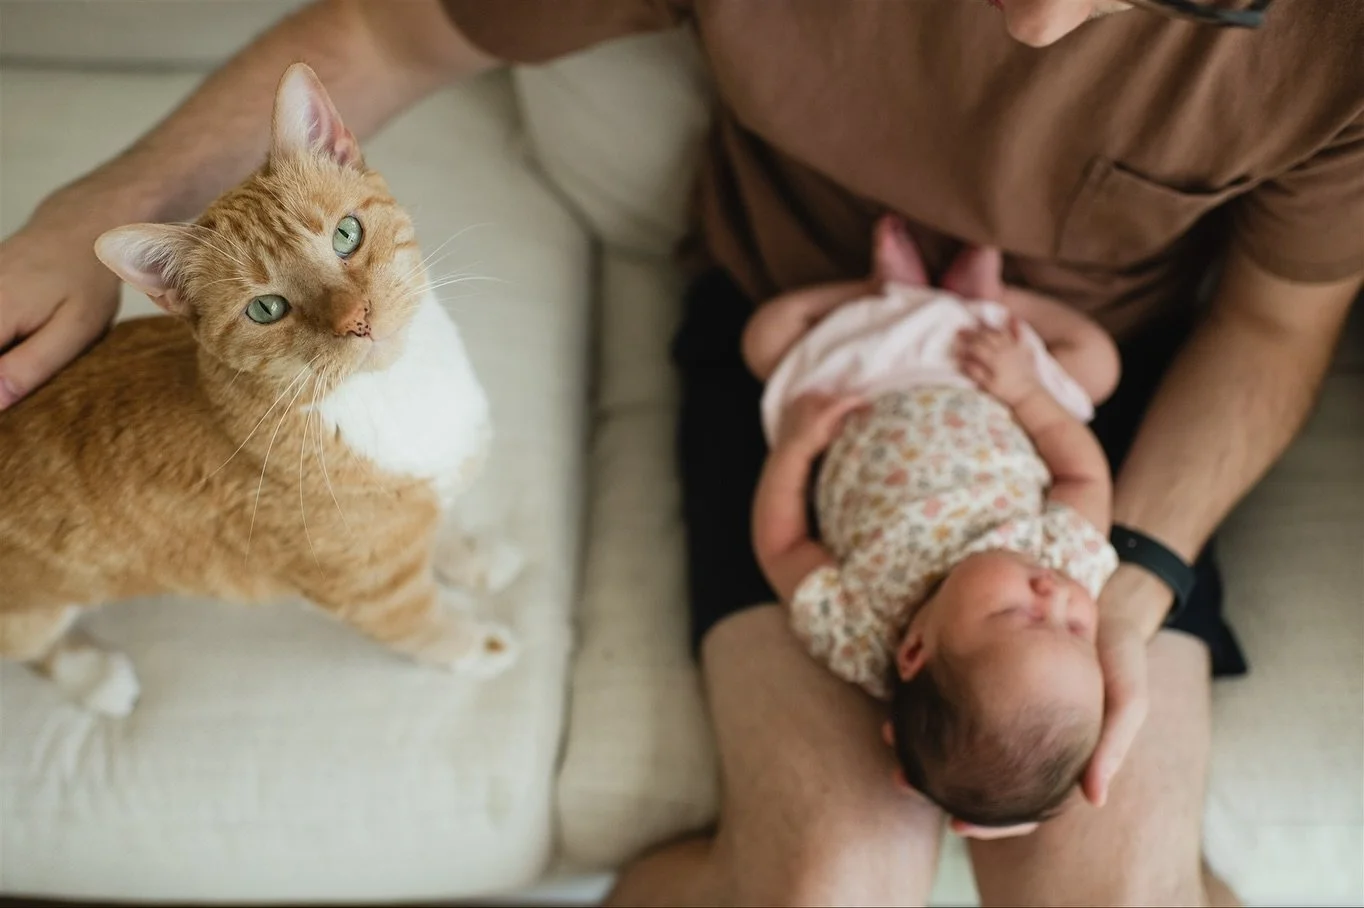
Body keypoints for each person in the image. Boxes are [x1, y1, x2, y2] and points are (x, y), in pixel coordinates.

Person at [1, 0, 1360, 904]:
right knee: (821, 884)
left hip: (1075, 374)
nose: (1038, 20)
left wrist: (1123, 580)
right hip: (794, 365)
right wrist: (99, 211)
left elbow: (1274, 324)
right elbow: (397, 23)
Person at [748, 216, 1122, 834]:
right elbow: (1084, 476)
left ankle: (878, 294)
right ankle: (986, 300)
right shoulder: (1066, 561)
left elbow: (782, 545)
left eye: (1023, 618)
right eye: (1080, 631)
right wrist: (1026, 392)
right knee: (1097, 362)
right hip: (985, 371)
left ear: (915, 648)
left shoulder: (861, 630)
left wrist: (794, 449)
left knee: (767, 337)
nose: (1055, 597)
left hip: (864, 379)